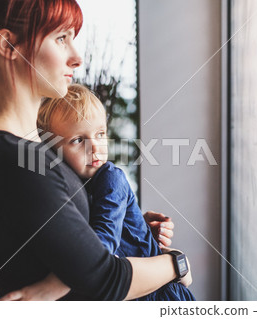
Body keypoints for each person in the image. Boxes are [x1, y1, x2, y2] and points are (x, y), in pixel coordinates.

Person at [0, 0, 191, 301]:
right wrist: (176, 263)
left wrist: (132, 228)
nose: (77, 57)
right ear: (8, 44)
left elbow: (63, 241)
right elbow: (104, 280)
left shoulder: (36, 149)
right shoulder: (10, 159)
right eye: (61, 38)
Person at [32, 84, 195, 300]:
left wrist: (50, 285)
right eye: (79, 140)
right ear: (53, 152)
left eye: (100, 134)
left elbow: (101, 248)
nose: (95, 147)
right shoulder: (71, 189)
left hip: (159, 295)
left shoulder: (110, 177)